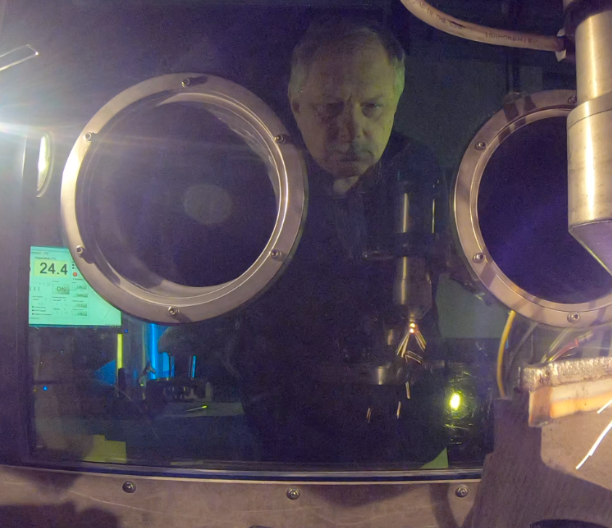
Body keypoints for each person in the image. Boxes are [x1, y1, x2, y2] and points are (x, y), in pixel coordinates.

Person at [161, 18, 447, 464]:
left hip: (413, 434)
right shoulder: (259, 184)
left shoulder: (418, 171)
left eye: (372, 107)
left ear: (397, 101)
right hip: (288, 434)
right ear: (295, 104)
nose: (351, 130)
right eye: (330, 108)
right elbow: (194, 299)